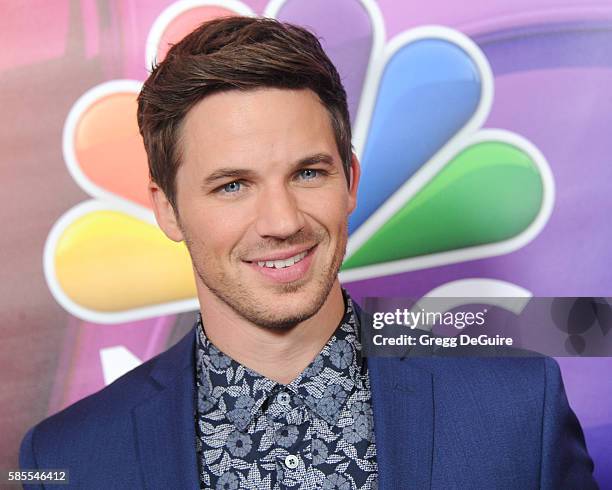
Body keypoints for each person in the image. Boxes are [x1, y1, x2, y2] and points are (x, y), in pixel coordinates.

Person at [20, 16, 597, 489]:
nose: (282, 221)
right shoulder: (71, 460)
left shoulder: (519, 409)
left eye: (308, 172)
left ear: (350, 179)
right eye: (232, 185)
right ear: (167, 208)